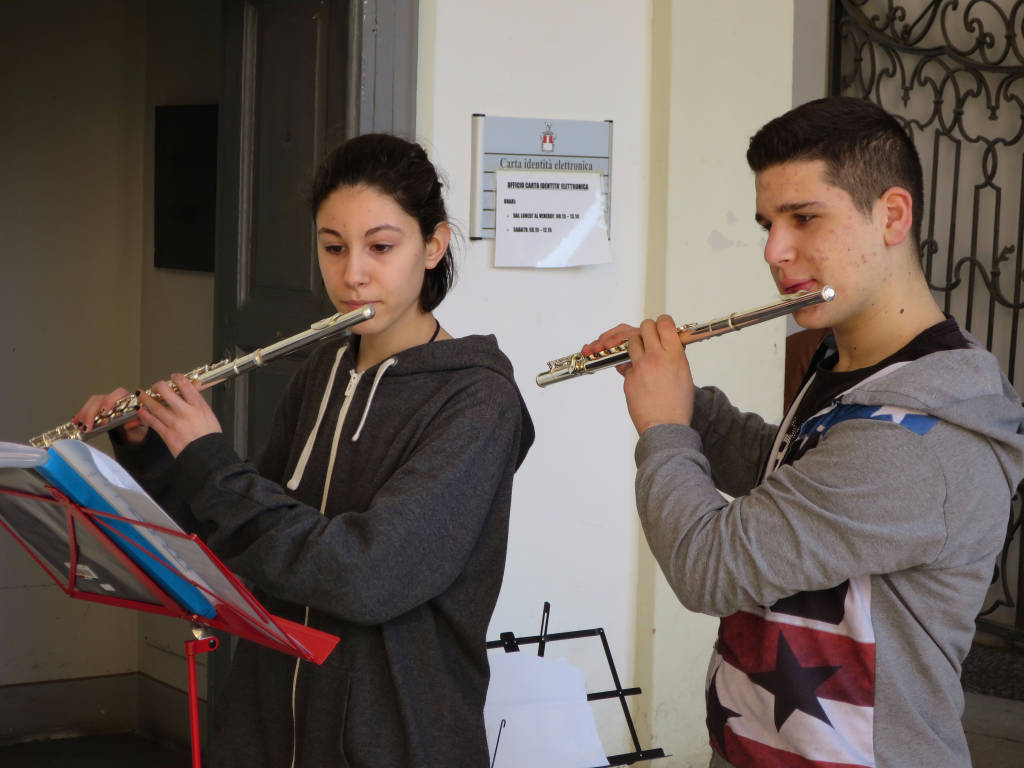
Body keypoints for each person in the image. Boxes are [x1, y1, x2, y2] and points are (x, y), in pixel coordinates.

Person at [583, 96, 1024, 767]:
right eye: (768, 222)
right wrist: (688, 399)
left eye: (804, 218)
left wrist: (664, 425)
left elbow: (710, 567)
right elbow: (795, 473)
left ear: (892, 216)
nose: (774, 250)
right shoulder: (849, 363)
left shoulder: (916, 437)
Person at [75, 133, 535, 768]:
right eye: (332, 247)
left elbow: (365, 576)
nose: (352, 274)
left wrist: (210, 459)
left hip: (395, 740)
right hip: (269, 725)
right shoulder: (322, 369)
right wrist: (155, 451)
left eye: (381, 246)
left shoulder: (478, 404)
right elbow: (246, 539)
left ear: (433, 245)